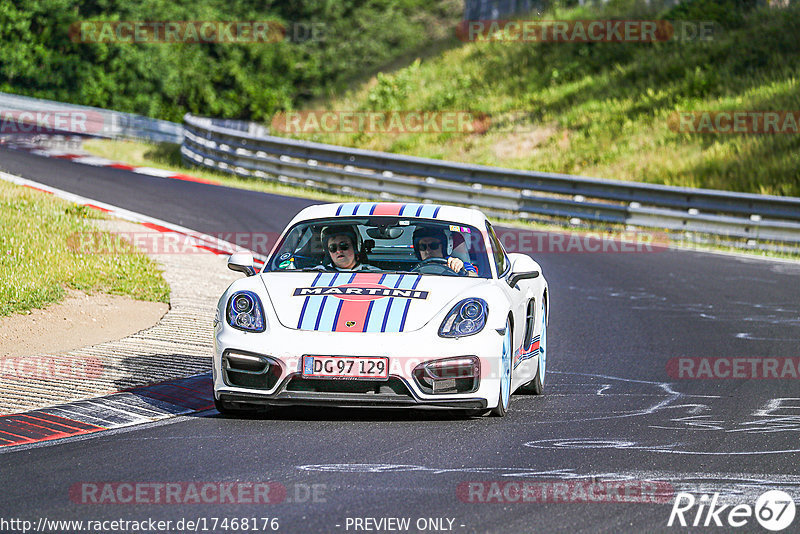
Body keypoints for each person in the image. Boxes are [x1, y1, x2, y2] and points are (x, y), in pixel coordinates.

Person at [412, 227, 477, 276]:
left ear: (444, 247)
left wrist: (462, 269)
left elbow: (476, 279)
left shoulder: (458, 265)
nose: (427, 251)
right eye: (422, 247)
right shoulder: (413, 270)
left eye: (434, 245)